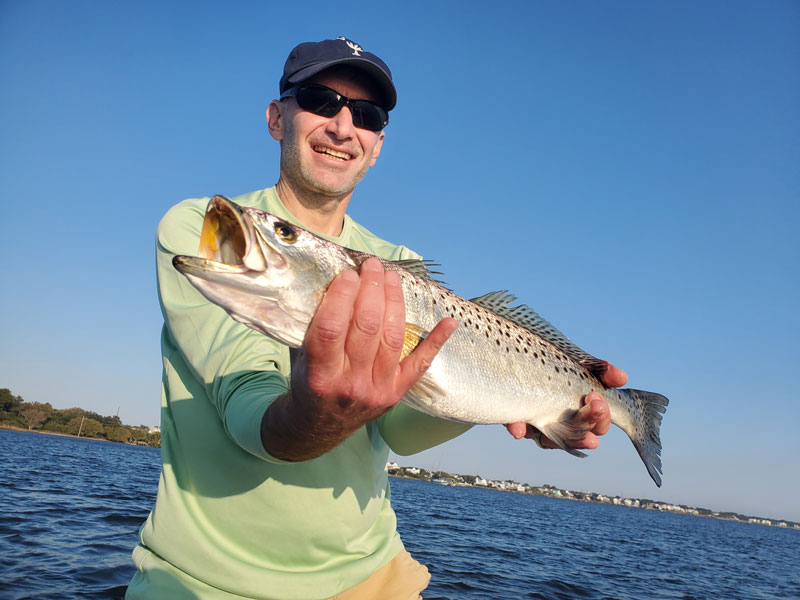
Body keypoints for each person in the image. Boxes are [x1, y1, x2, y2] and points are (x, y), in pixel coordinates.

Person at [127, 37, 626, 600]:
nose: (343, 127)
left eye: (365, 114)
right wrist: (315, 411)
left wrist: (514, 398)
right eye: (320, 99)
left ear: (378, 144)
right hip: (202, 582)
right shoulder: (203, 226)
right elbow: (249, 409)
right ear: (276, 117)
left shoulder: (403, 268)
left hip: (372, 577)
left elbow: (400, 432)